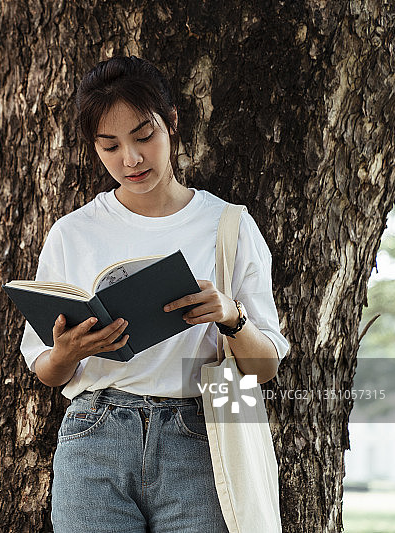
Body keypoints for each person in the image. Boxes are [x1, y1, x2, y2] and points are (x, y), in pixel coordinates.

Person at [20, 56, 289, 532]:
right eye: (110, 146)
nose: (131, 159)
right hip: (95, 433)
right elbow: (46, 370)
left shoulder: (228, 225)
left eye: (144, 136)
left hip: (204, 431)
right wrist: (66, 352)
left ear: (172, 122)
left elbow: (264, 370)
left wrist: (232, 316)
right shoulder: (73, 232)